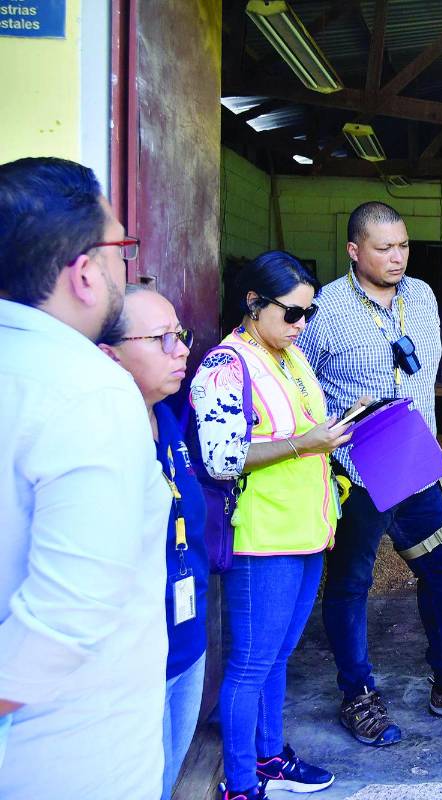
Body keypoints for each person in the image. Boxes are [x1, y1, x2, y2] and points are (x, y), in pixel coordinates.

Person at [297, 201, 442, 746]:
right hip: (358, 470)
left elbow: (423, 374)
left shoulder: (422, 296)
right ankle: (358, 696)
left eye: (403, 246)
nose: (397, 257)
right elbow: (302, 385)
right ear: (353, 250)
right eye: (384, 248)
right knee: (350, 582)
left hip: (415, 465)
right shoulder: (324, 311)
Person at [0, 157, 169, 796]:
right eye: (120, 248)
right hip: (69, 755)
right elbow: (66, 614)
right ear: (84, 273)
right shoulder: (89, 390)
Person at [192, 251, 344, 800]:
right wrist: (309, 442)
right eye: (293, 313)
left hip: (306, 530)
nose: (302, 325)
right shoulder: (224, 366)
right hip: (261, 535)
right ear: (254, 304)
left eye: (309, 313)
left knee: (278, 656)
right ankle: (239, 782)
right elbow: (220, 456)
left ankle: (269, 753)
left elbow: (303, 426)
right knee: (250, 664)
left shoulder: (287, 355)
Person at [99, 285, 209, 799]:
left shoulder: (168, 418)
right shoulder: (97, 440)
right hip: (132, 660)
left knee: (166, 778)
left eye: (180, 335)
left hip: (186, 639)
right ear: (109, 354)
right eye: (162, 339)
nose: (182, 349)